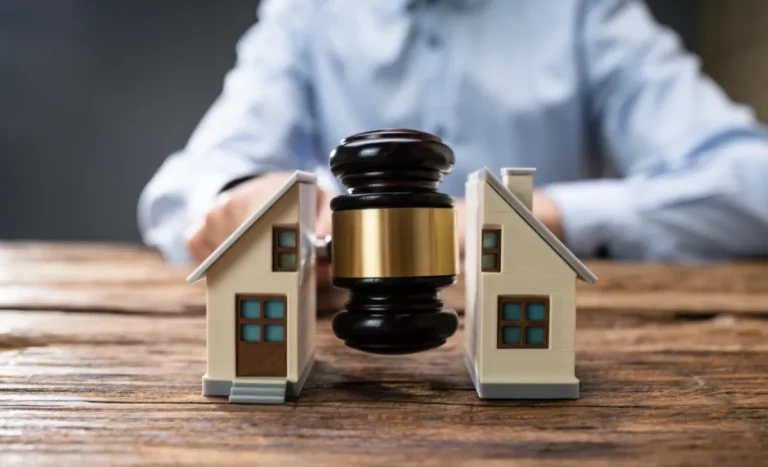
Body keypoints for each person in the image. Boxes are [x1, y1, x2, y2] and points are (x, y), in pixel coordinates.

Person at [139, 0, 768, 279]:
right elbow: (184, 187)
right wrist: (244, 196)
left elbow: (752, 181)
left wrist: (535, 218)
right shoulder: (307, 15)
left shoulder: (586, 12)